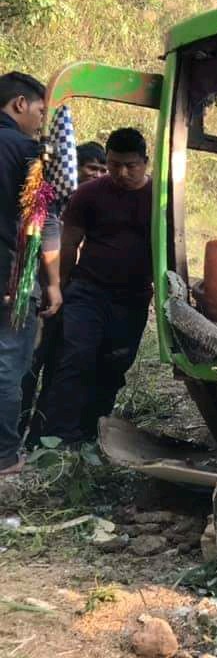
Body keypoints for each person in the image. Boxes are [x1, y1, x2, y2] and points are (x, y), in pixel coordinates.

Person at [38, 128, 153, 445]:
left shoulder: (160, 197)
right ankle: (58, 437)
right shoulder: (90, 194)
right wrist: (60, 287)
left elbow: (172, 247)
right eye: (114, 164)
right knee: (76, 358)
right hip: (88, 291)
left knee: (113, 365)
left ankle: (92, 433)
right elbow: (69, 243)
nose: (121, 172)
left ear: (145, 161)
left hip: (133, 298)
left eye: (130, 165)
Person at [19, 140, 109, 440]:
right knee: (29, 365)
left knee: (59, 370)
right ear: (75, 168)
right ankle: (15, 431)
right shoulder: (53, 198)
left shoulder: (96, 202)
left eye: (102, 170)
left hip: (73, 297)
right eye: (91, 168)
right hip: (43, 293)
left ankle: (38, 436)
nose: (97, 175)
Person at [0, 72, 62, 476]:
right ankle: (5, 455)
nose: (42, 119)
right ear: (20, 104)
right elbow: (44, 222)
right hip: (11, 277)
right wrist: (53, 283)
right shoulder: (26, 151)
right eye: (40, 109)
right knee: (8, 363)